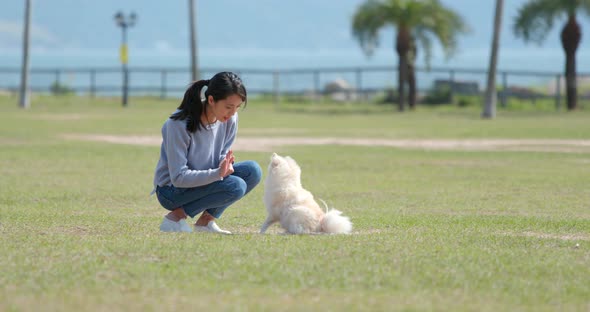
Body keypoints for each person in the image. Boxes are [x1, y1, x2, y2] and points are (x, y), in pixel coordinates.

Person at [153, 72, 262, 234]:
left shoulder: (230, 119)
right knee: (236, 186)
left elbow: (220, 153)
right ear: (211, 100)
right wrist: (218, 173)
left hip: (204, 180)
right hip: (171, 191)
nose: (233, 113)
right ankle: (175, 218)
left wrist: (223, 164)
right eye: (228, 107)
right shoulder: (178, 124)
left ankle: (205, 223)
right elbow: (178, 178)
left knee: (252, 171)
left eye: (237, 107)